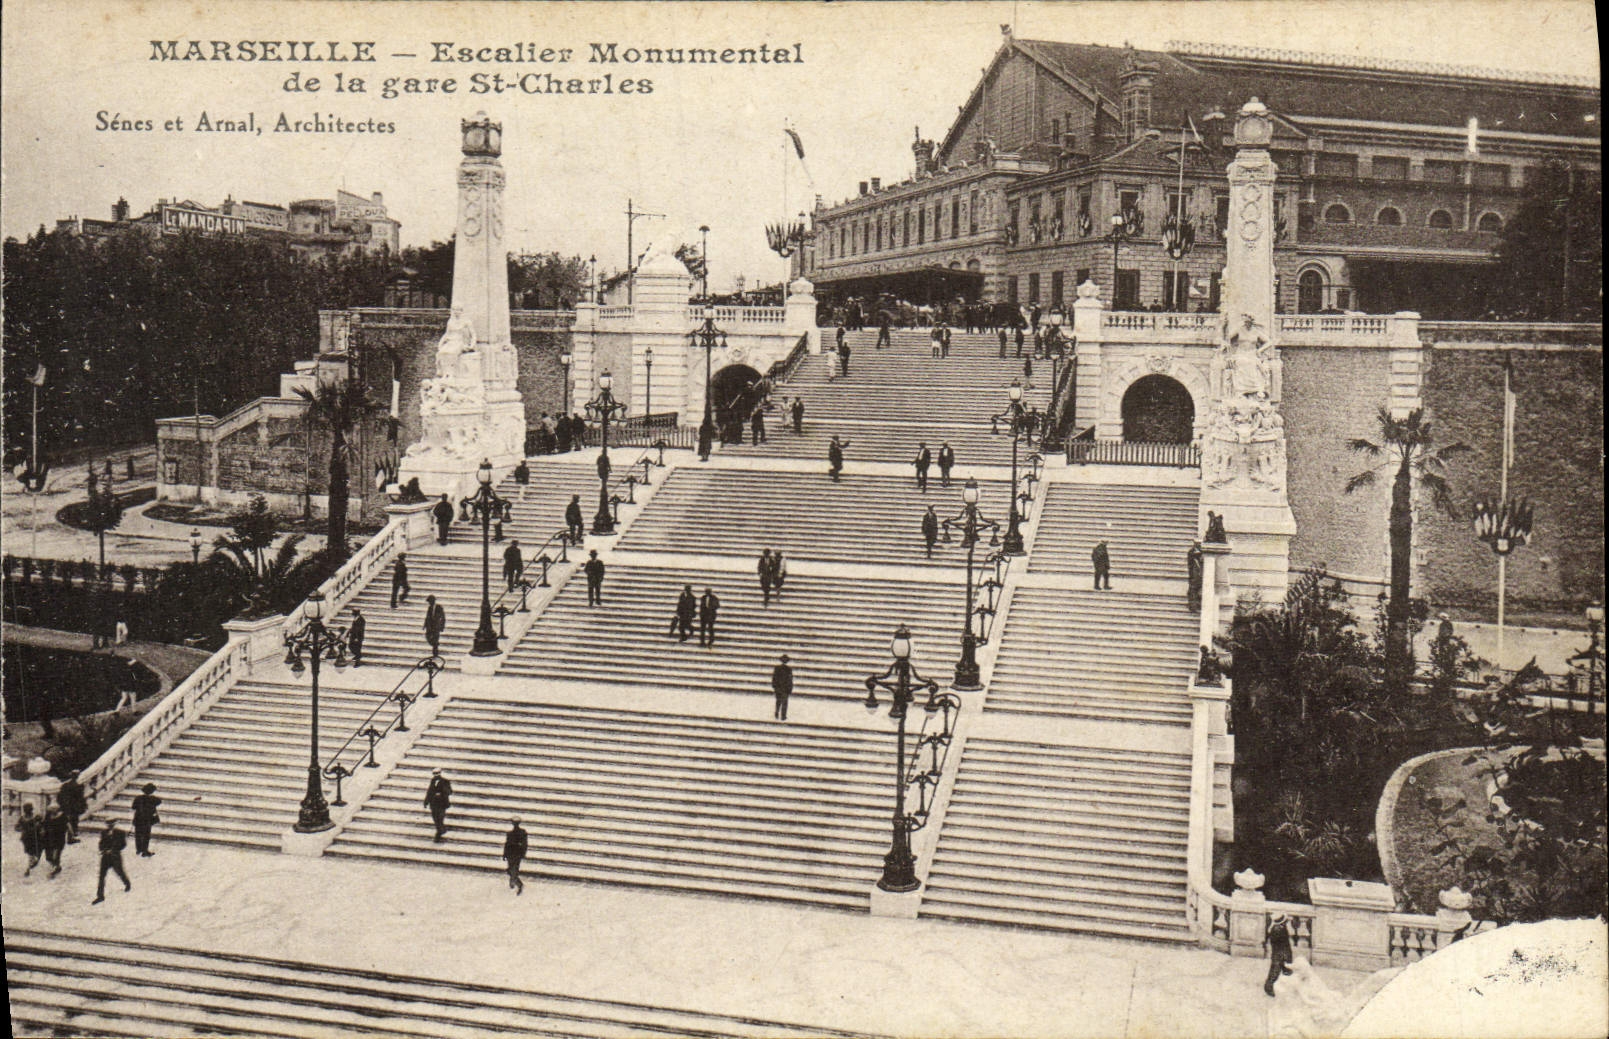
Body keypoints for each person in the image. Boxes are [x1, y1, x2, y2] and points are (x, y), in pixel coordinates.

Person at [92, 822, 131, 904]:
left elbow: (123, 845)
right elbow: (101, 844)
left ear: (114, 824)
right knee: (101, 876)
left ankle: (127, 883)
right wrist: (103, 850)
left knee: (120, 872)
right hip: (105, 857)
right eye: (108, 824)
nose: (110, 826)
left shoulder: (120, 833)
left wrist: (114, 850)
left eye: (111, 824)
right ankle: (100, 896)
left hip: (115, 857)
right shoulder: (104, 833)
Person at [1265, 914, 1295, 996]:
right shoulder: (1278, 930)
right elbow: (1283, 943)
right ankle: (1269, 987)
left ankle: (1271, 986)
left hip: (1279, 953)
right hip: (1279, 953)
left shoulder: (1278, 928)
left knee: (1279, 969)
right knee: (1275, 971)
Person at [130, 782, 161, 857]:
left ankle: (138, 849)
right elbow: (159, 802)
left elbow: (133, 807)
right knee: (146, 835)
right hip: (147, 820)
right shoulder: (153, 799)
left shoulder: (138, 798)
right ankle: (145, 851)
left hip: (138, 819)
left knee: (138, 834)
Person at [58, 769, 86, 843]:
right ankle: (71, 838)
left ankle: (69, 837)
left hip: (67, 807)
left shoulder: (65, 785)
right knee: (73, 822)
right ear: (77, 776)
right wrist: (82, 807)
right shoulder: (79, 786)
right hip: (74, 808)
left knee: (68, 821)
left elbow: (60, 797)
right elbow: (81, 798)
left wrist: (63, 805)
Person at [424, 768, 452, 841]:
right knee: (435, 818)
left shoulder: (445, 781)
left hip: (441, 803)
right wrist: (426, 802)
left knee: (440, 818)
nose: (436, 775)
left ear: (440, 773)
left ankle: (438, 835)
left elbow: (449, 791)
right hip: (433, 803)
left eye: (437, 774)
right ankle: (441, 830)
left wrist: (441, 793)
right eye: (434, 774)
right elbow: (429, 792)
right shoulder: (432, 781)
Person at [40, 804, 68, 878]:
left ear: (57, 809)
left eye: (53, 809)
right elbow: (44, 823)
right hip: (48, 838)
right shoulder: (48, 815)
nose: (51, 811)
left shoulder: (62, 816)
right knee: (48, 856)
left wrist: (71, 835)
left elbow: (67, 825)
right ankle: (56, 866)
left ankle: (54, 868)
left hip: (59, 838)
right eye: (50, 809)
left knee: (56, 854)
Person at [17, 802, 43, 876]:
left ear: (31, 809)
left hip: (36, 837)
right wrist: (22, 829)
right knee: (30, 853)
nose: (27, 810)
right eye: (26, 809)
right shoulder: (22, 818)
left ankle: (33, 863)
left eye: (29, 809)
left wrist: (39, 826)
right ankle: (28, 868)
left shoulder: (36, 817)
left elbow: (42, 823)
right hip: (27, 838)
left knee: (37, 851)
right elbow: (17, 827)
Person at [503, 818, 527, 895]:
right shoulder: (510, 833)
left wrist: (523, 853)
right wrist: (504, 854)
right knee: (510, 869)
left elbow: (524, 844)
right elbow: (506, 844)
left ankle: (519, 885)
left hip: (516, 854)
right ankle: (514, 881)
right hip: (511, 854)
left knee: (514, 870)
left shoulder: (522, 833)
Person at [772, 654, 794, 721]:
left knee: (778, 701)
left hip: (779, 687)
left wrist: (774, 686)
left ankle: (777, 712)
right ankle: (783, 715)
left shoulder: (777, 668)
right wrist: (790, 688)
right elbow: (790, 679)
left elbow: (774, 678)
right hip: (785, 688)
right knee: (784, 702)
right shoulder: (789, 669)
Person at [1186, 541, 1204, 613]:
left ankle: (1194, 605)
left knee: (1194, 590)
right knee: (1194, 589)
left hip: (1196, 575)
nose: (1199, 545)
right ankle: (1193, 606)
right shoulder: (1193, 552)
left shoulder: (1196, 552)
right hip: (1195, 575)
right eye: (1198, 544)